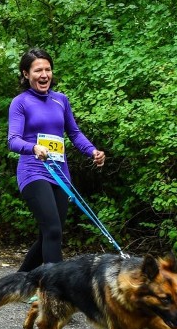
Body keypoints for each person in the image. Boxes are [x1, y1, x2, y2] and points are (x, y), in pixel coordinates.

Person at [7, 47, 106, 273]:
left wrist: (92, 151)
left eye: (48, 69)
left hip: (59, 174)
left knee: (51, 233)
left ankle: (21, 281)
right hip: (33, 172)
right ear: (25, 74)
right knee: (52, 229)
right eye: (38, 70)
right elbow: (13, 140)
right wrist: (33, 147)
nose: (44, 75)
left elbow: (74, 133)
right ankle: (55, 290)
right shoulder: (20, 102)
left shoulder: (61, 100)